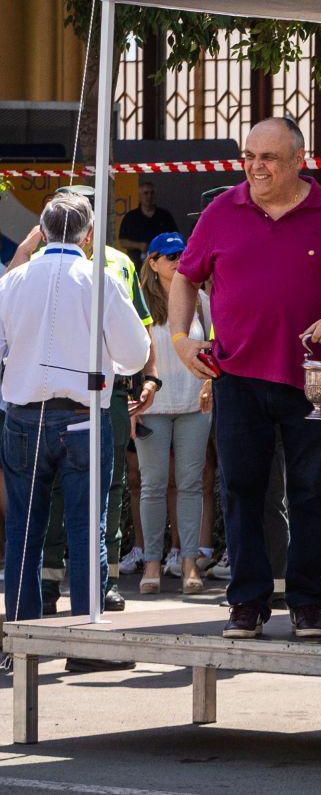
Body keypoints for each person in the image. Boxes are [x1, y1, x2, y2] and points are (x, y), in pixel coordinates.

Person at [172, 117, 321, 642]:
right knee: (242, 489)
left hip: (315, 379)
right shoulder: (223, 210)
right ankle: (246, 602)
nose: (255, 167)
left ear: (298, 161)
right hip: (237, 375)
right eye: (249, 157)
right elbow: (184, 276)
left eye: (268, 158)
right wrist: (180, 338)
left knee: (312, 493)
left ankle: (309, 602)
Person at [0, 192, 150, 672]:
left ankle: (21, 640)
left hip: (23, 415)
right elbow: (134, 353)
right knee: (88, 529)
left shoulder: (15, 279)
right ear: (88, 236)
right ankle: (88, 643)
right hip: (82, 417)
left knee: (23, 529)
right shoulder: (100, 279)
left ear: (41, 232)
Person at [132, 233, 213, 595]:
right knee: (152, 486)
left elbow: (215, 346)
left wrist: (210, 384)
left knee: (191, 485)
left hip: (195, 405)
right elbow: (130, 356)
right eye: (170, 255)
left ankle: (188, 563)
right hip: (153, 406)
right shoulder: (141, 302)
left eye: (184, 253)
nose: (180, 259)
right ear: (152, 262)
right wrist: (131, 400)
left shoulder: (201, 300)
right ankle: (151, 562)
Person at [118, 179, 179, 254]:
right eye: (146, 193)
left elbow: (176, 237)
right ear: (140, 196)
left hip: (161, 259)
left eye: (152, 193)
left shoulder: (165, 216)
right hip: (137, 262)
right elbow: (122, 241)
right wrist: (139, 245)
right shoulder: (130, 217)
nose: (149, 196)